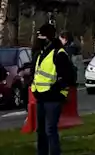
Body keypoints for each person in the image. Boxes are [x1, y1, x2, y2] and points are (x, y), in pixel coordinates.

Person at [31, 23, 74, 155]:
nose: (38, 39)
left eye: (40, 36)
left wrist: (56, 90)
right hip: (41, 97)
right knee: (41, 131)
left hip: (53, 98)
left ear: (47, 37)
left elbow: (69, 77)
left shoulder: (59, 54)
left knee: (50, 130)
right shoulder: (41, 54)